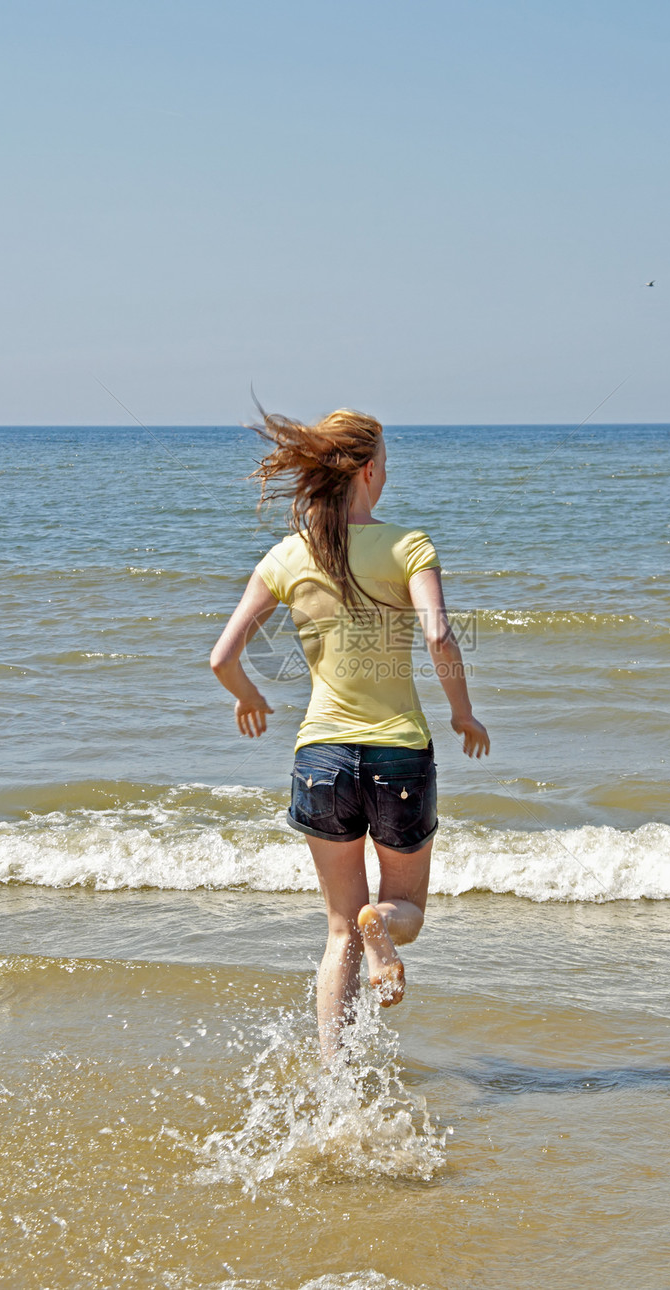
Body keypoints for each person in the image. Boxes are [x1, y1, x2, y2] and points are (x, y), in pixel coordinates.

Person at [210, 408, 489, 1061]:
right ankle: (383, 928)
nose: (386, 475)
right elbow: (441, 635)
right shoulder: (408, 545)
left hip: (321, 759)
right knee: (403, 910)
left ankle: (337, 1081)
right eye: (385, 464)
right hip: (398, 754)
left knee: (339, 929)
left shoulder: (286, 556)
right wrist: (463, 712)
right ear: (368, 472)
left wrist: (249, 696)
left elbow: (222, 656)